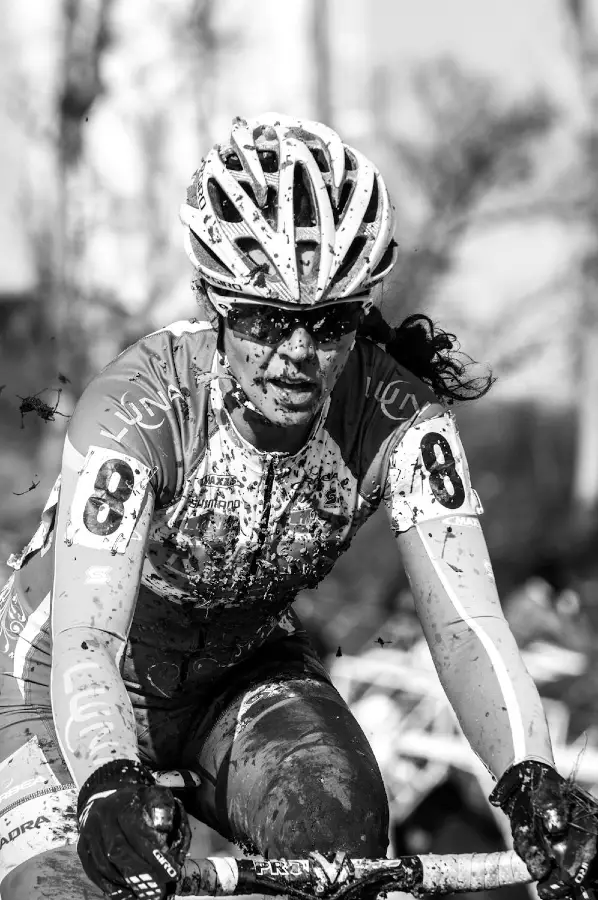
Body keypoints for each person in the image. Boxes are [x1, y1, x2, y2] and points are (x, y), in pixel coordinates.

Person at [0, 113, 596, 900]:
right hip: (58, 697)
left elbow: (465, 629)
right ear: (217, 302)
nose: (295, 356)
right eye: (263, 320)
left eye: (329, 325)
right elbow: (88, 643)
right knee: (61, 891)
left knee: (344, 839)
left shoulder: (401, 419)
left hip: (235, 684)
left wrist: (530, 780)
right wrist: (109, 777)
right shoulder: (138, 409)